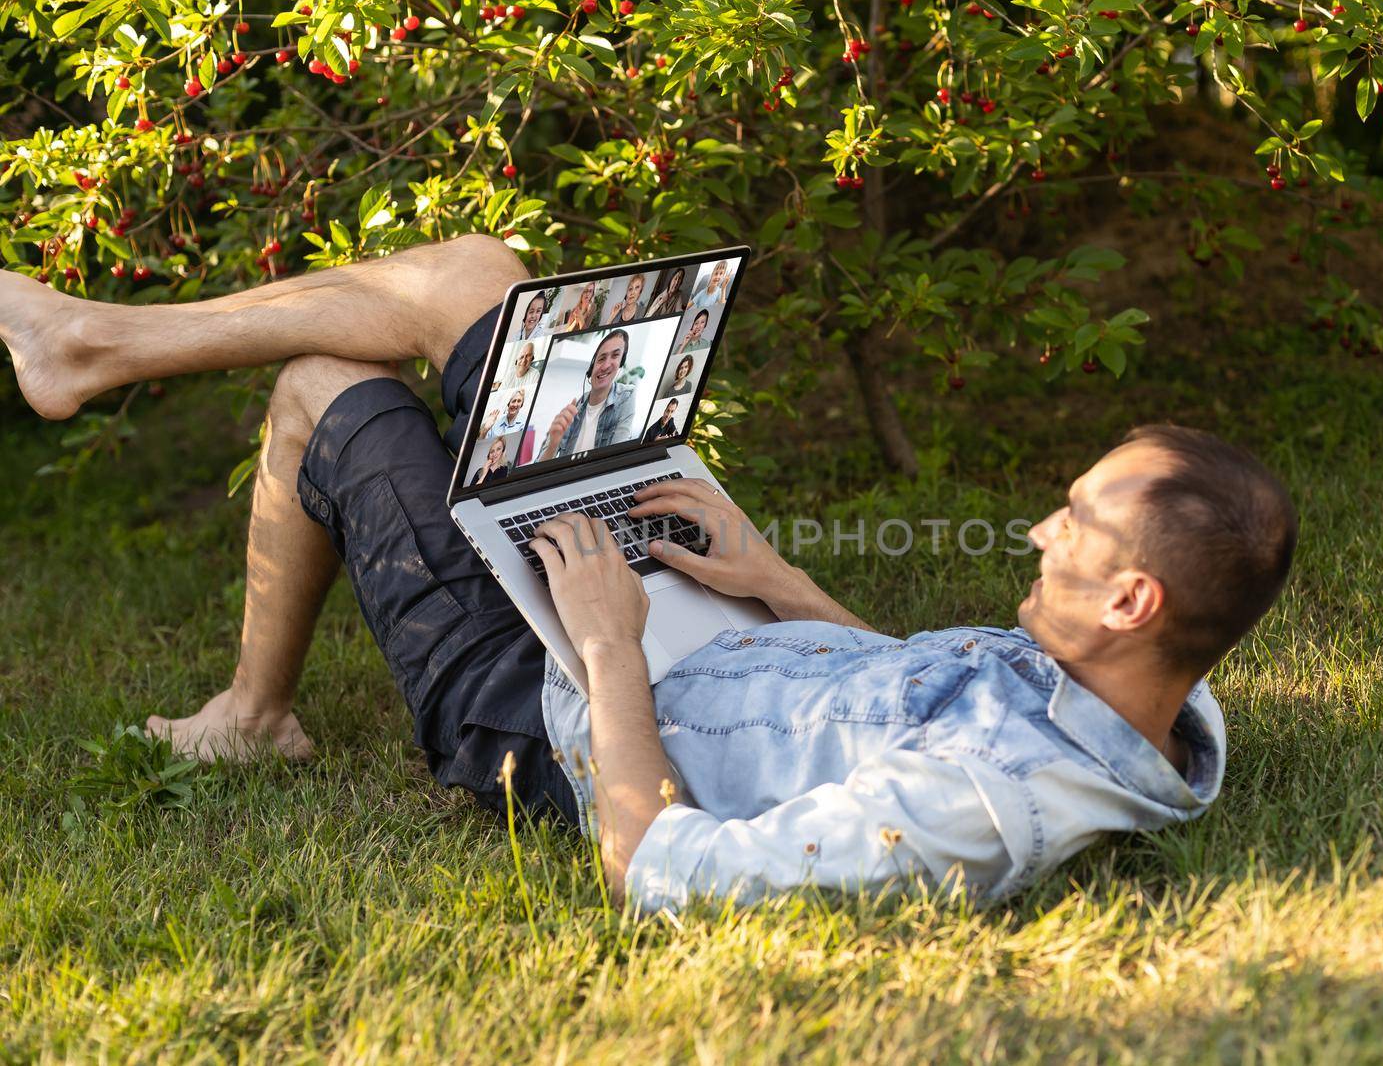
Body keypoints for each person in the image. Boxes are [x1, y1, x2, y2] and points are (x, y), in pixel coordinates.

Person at [1, 235, 1296, 916]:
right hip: (708, 619)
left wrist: (609, 639)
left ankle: (252, 710)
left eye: (1073, 524)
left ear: (1135, 599)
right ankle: (90, 344)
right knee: (476, 279)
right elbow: (908, 681)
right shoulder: (1127, 689)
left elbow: (665, 869)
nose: (1038, 532)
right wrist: (771, 572)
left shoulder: (983, 812)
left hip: (556, 707)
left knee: (323, 392)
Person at [538, 330, 636, 460]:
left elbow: (618, 459)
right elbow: (539, 466)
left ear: (621, 363)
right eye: (601, 358)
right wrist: (552, 445)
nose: (606, 365)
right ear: (592, 367)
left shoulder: (626, 396)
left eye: (615, 356)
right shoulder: (573, 410)